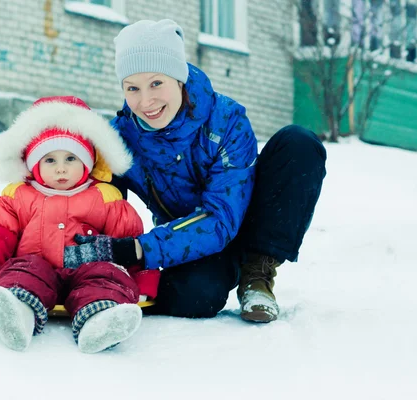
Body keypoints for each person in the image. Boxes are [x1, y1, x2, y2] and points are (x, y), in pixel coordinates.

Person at [64, 19, 327, 323]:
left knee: (299, 143)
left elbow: (220, 219)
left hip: (246, 220)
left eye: (156, 83)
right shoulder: (119, 139)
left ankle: (257, 273)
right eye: (132, 88)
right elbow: (84, 200)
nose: (146, 101)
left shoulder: (226, 121)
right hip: (188, 236)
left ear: (179, 78)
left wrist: (138, 249)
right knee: (195, 297)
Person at [0, 96, 160, 353]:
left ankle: (101, 321)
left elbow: (129, 240)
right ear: (34, 165)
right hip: (36, 268)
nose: (61, 170)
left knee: (106, 275)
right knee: (22, 271)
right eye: (50, 160)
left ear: (87, 163)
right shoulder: (18, 195)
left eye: (71, 159)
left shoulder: (105, 197)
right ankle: (17, 312)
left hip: (86, 272)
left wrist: (142, 280)